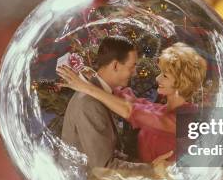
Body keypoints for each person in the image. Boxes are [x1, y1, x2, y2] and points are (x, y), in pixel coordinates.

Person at [58, 42, 207, 163]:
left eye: (165, 76)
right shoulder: (160, 109)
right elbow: (126, 98)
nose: (157, 79)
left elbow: (129, 110)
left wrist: (86, 87)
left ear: (181, 83)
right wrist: (94, 77)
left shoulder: (185, 120)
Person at [60, 36, 171, 172]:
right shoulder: (90, 103)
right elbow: (103, 168)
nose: (135, 72)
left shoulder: (101, 94)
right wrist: (150, 170)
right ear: (115, 65)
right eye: (132, 66)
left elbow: (130, 108)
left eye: (165, 75)